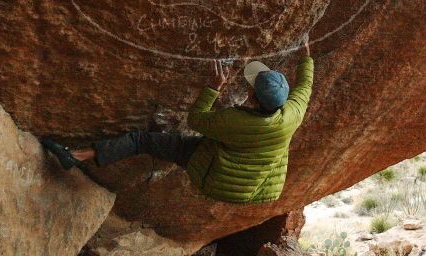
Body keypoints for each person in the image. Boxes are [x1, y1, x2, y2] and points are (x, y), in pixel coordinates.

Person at [41, 39, 313, 204]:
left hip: (214, 177)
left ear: (252, 98)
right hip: (256, 191)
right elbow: (306, 86)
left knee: (142, 140)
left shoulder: (235, 121)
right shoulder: (294, 113)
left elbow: (196, 120)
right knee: (186, 143)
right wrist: (307, 57)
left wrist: (212, 88)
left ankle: (75, 156)